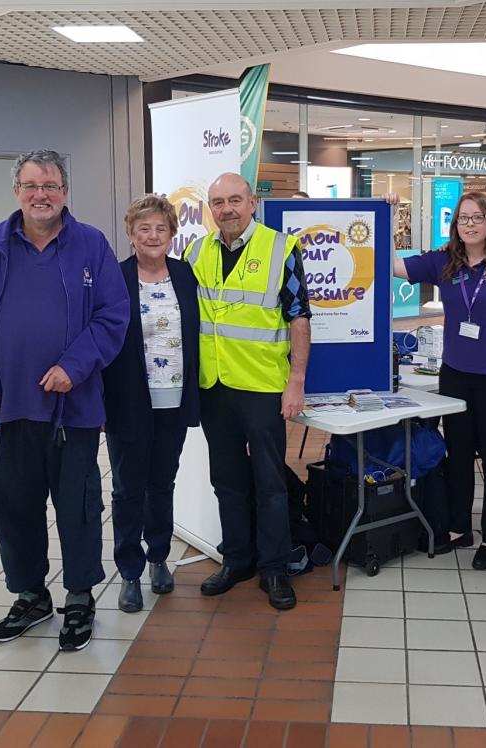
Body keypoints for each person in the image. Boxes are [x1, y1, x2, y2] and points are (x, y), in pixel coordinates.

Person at [0, 150, 128, 651]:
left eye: (50, 185)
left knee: (78, 507)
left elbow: (114, 316)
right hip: (5, 410)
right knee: (13, 509)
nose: (41, 195)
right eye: (31, 185)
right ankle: (30, 594)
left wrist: (74, 367)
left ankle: (78, 597)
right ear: (17, 192)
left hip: (74, 411)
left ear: (65, 191)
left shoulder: (91, 245)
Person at [182, 172, 311, 610]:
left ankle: (274, 567)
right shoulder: (195, 251)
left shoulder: (281, 248)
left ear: (252, 202)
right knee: (227, 481)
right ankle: (236, 559)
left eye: (235, 200)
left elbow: (299, 319)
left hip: (263, 387)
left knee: (270, 482)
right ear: (210, 209)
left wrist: (296, 383)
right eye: (217, 202)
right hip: (214, 387)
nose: (226, 209)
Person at [392, 192, 486, 570]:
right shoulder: (445, 263)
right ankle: (458, 528)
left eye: (476, 218)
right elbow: (394, 267)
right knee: (458, 455)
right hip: (454, 373)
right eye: (462, 219)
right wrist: (389, 215)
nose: (469, 225)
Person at [102, 195, 199, 613]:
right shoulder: (116, 278)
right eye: (145, 228)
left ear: (172, 234)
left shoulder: (185, 274)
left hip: (174, 399)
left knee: (162, 482)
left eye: (161, 228)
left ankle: (158, 556)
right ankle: (128, 571)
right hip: (128, 401)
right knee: (127, 488)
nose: (153, 236)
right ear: (131, 234)